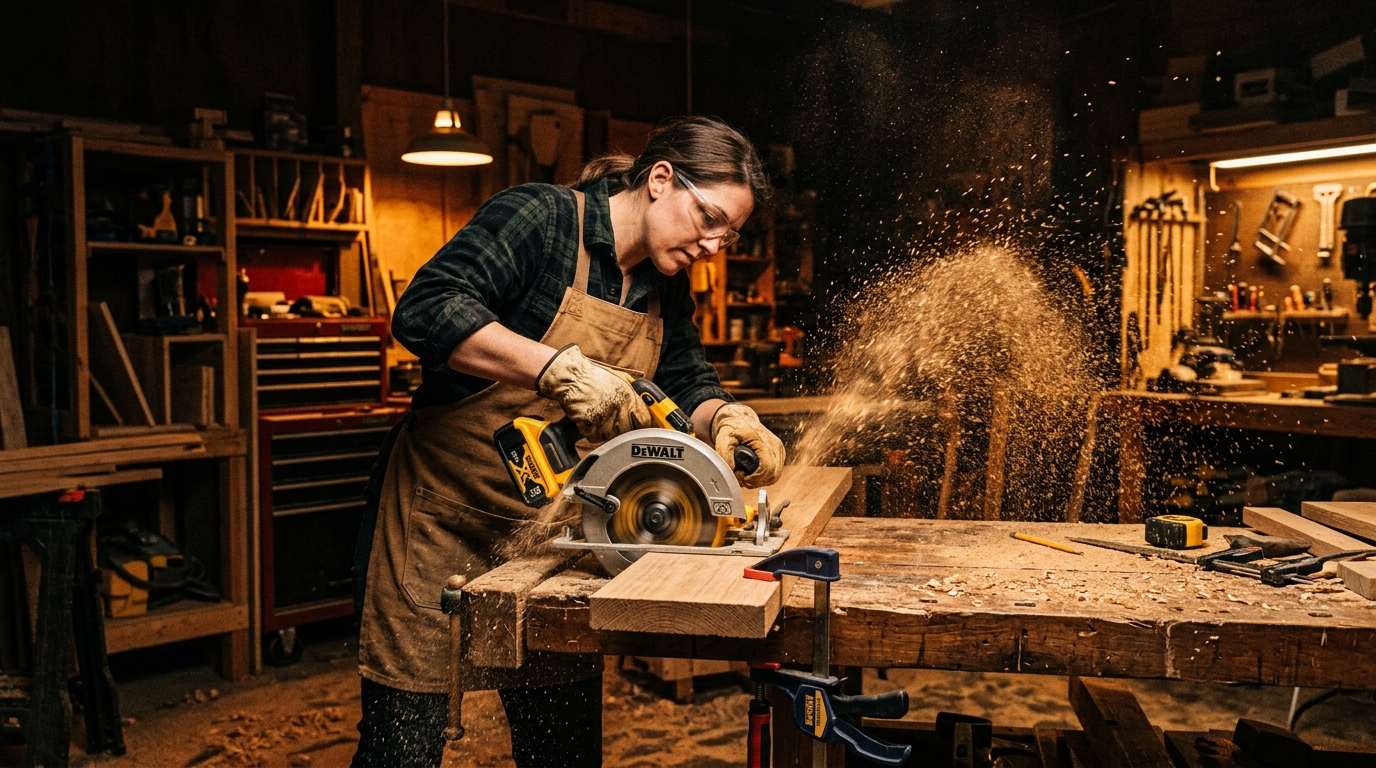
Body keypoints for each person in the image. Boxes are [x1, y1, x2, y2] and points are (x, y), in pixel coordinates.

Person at [351, 115, 787, 768]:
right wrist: (555, 368)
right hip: (439, 525)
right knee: (401, 753)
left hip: (554, 538)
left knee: (563, 753)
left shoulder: (665, 285)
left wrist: (728, 418)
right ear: (661, 181)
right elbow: (426, 307)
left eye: (730, 234)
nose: (716, 245)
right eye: (710, 219)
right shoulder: (542, 220)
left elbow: (686, 380)